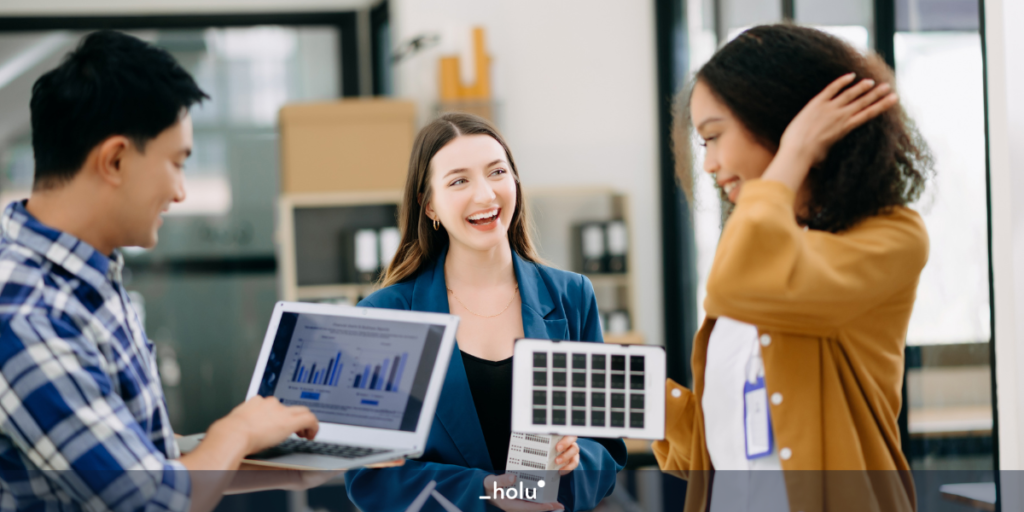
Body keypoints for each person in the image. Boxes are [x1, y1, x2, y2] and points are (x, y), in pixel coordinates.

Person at [0, 31, 325, 512]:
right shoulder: (27, 316)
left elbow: (142, 459)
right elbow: (153, 502)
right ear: (114, 160)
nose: (181, 193)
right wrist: (235, 432)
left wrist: (298, 466)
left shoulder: (87, 273)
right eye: (177, 163)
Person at [652, 25, 932, 512]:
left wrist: (796, 151)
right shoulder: (753, 244)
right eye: (703, 145)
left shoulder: (891, 237)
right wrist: (643, 399)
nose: (710, 165)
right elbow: (720, 447)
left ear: (782, 120)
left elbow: (743, 280)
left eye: (715, 136)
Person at [344, 113, 627, 511]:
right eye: (459, 180)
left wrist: (576, 461)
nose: (486, 195)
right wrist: (488, 491)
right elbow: (371, 476)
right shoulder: (385, 315)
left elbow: (608, 448)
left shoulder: (572, 296)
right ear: (429, 207)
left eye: (497, 172)